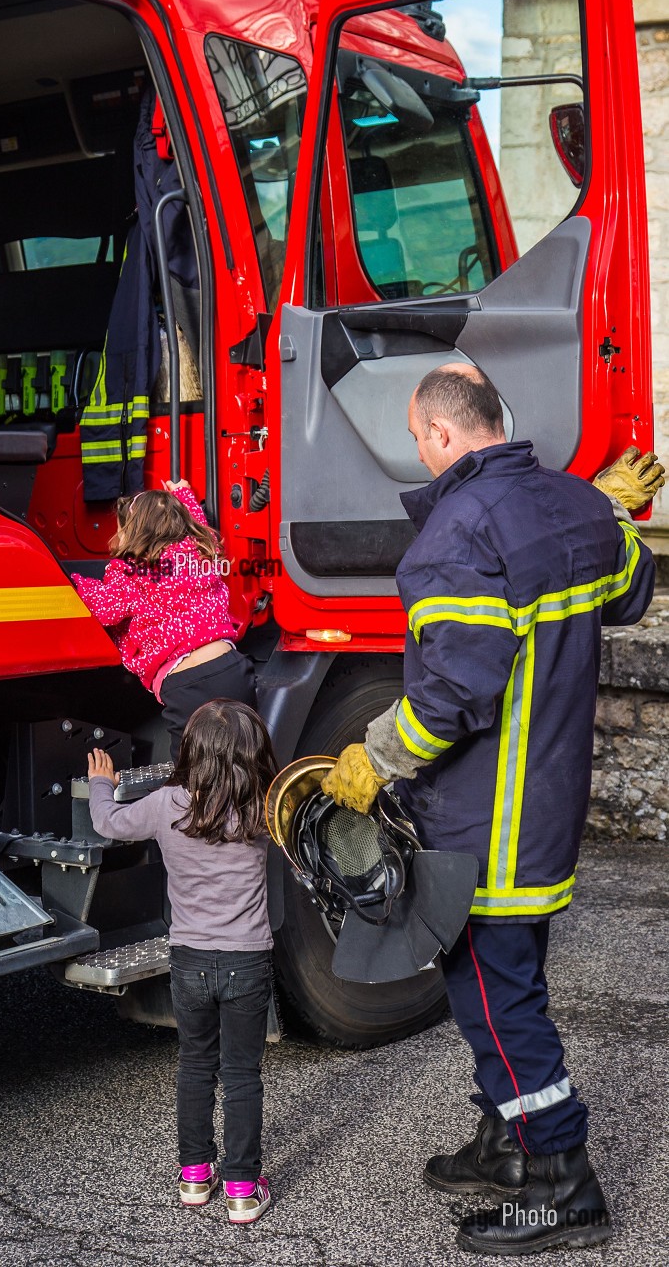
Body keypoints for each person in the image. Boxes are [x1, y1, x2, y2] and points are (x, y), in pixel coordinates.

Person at [320, 364, 662, 1256]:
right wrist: (614, 516)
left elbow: (451, 700)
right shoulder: (576, 505)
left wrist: (372, 758)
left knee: (494, 1004)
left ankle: (560, 1181)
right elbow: (629, 593)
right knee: (511, 983)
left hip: (487, 822)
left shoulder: (450, 540)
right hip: (548, 804)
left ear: (437, 435)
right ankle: (504, 1146)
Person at [87, 699, 277, 1224]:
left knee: (196, 1065)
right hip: (247, 961)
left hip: (189, 960)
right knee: (242, 1074)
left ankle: (194, 1174)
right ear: (252, 754)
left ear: (190, 751)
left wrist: (103, 781)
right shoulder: (262, 806)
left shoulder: (168, 803)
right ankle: (242, 1185)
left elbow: (107, 823)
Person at [71, 481, 257, 761]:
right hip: (232, 668)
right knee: (246, 759)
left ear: (133, 534)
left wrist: (73, 581)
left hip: (187, 685)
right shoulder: (197, 554)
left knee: (192, 776)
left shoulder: (134, 574)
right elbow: (205, 532)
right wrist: (184, 496)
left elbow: (104, 608)